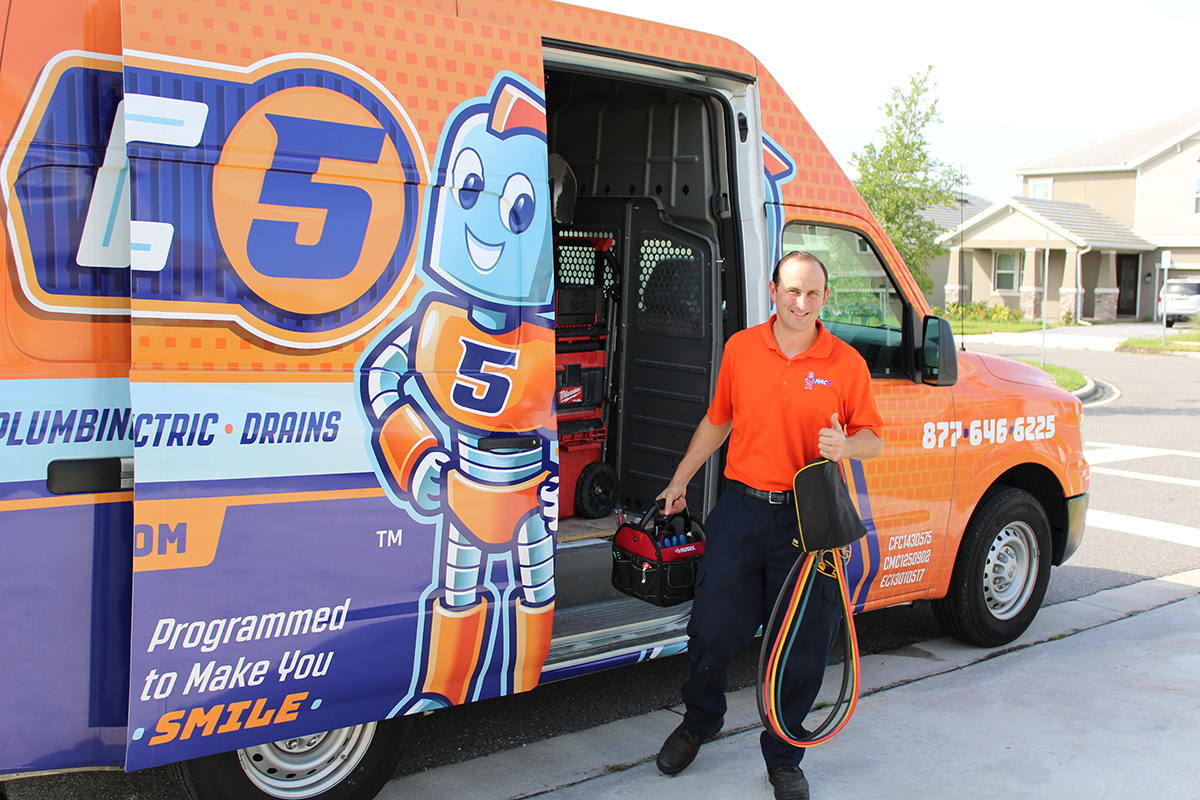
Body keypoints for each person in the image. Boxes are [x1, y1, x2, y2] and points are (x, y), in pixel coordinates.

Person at [654, 251, 884, 800]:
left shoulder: (845, 362)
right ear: (774, 292)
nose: (800, 303)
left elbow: (873, 438)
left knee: (804, 644)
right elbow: (719, 419)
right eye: (792, 291)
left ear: (824, 298)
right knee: (712, 629)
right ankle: (702, 717)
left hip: (810, 523)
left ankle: (783, 755)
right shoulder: (742, 349)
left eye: (812, 294)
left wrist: (845, 445)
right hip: (742, 508)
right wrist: (680, 478)